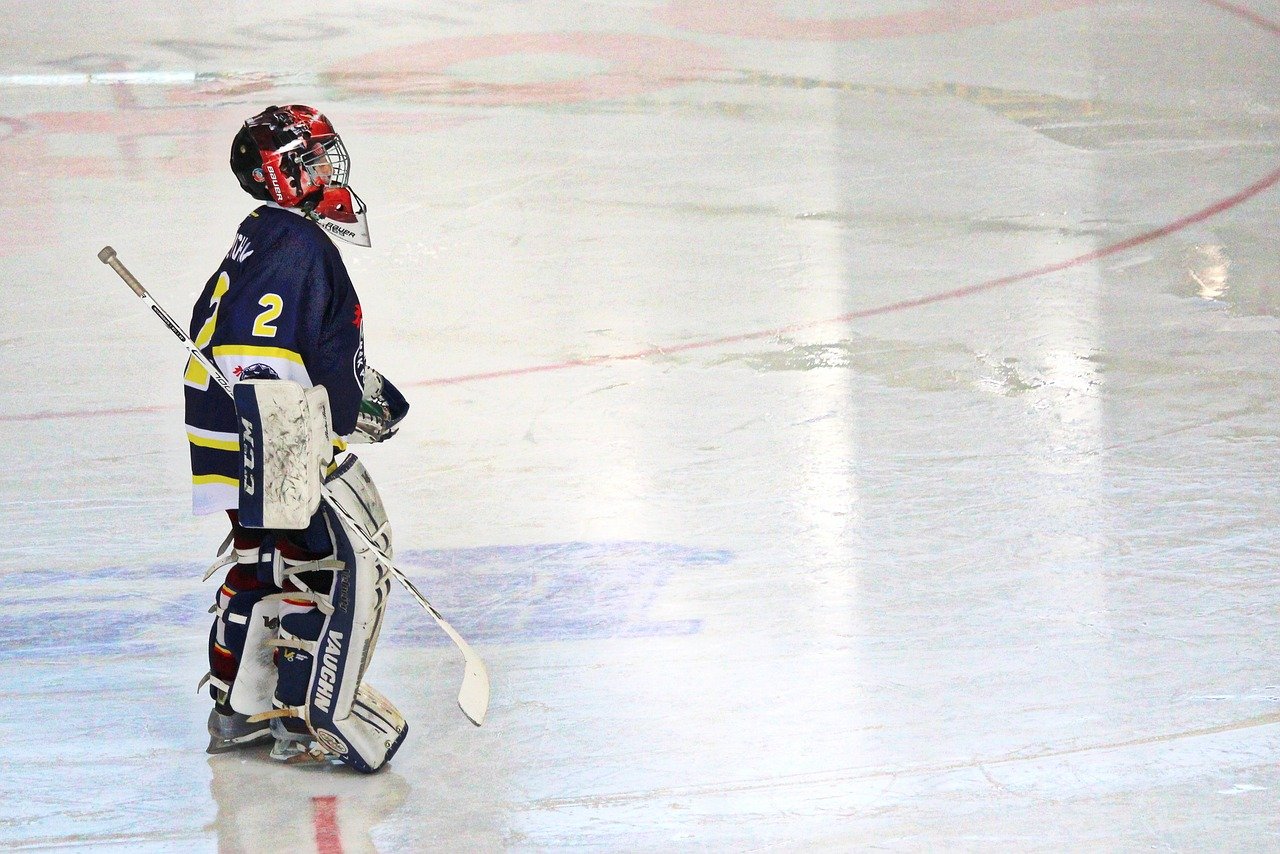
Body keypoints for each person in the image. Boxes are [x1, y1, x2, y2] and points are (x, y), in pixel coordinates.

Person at [186, 105, 410, 771]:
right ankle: (301, 713)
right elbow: (256, 351)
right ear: (280, 172)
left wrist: (345, 392)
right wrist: (325, 428)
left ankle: (239, 711)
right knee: (324, 569)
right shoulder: (298, 247)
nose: (325, 169)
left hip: (231, 430)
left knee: (261, 563)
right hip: (268, 435)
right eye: (310, 159)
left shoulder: (264, 230)